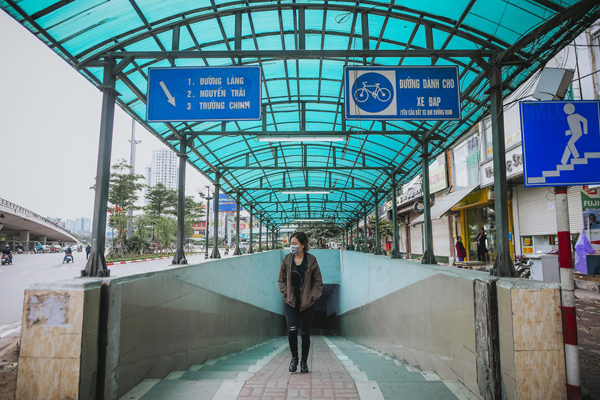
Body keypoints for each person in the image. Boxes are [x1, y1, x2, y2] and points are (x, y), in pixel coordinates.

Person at [278, 231, 323, 374]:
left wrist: (312, 297)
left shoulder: (311, 260)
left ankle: (304, 362)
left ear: (302, 245)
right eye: (291, 243)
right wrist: (286, 293)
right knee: (292, 330)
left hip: (307, 303)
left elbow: (318, 282)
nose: (292, 246)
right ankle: (294, 359)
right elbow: (281, 280)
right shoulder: (287, 260)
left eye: (295, 243)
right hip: (291, 302)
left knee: (305, 333)